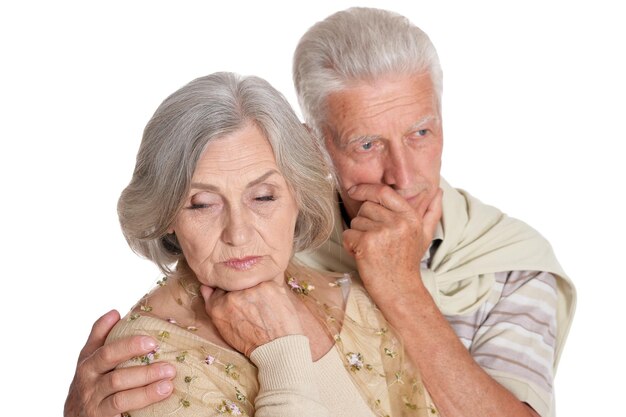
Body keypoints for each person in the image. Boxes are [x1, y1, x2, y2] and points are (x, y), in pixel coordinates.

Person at [65, 7, 576, 417]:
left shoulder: (511, 264)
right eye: (367, 143)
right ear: (314, 147)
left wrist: (400, 288)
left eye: (421, 133)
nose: (403, 174)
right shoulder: (280, 244)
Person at [80, 70, 440, 417]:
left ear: (299, 195)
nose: (238, 233)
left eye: (263, 197)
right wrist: (284, 362)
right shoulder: (148, 361)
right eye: (203, 204)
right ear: (168, 214)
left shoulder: (354, 304)